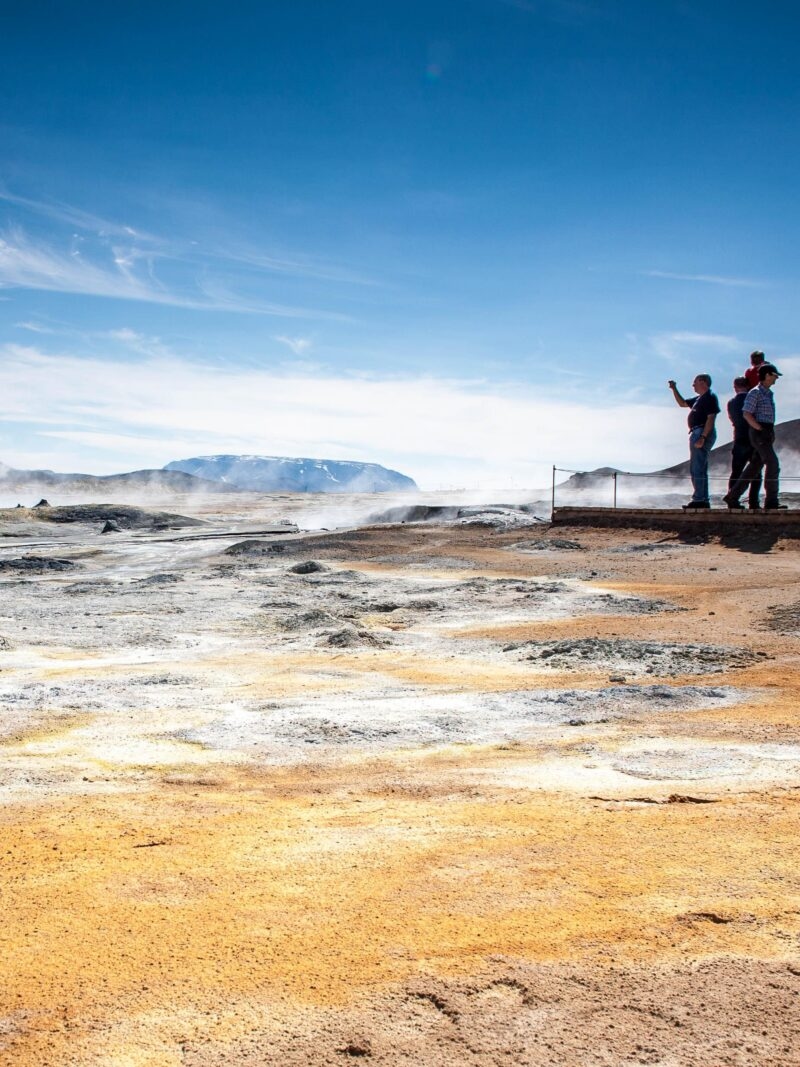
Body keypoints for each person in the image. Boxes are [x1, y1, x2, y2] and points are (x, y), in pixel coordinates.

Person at [724, 363, 785, 510]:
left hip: (766, 432)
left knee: (755, 467)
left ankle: (732, 496)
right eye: (774, 375)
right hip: (759, 433)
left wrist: (769, 431)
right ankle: (771, 502)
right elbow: (746, 413)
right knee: (773, 464)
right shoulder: (755, 392)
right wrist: (760, 429)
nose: (776, 378)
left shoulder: (768, 393)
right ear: (767, 375)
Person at [668, 374, 720, 508]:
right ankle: (702, 499)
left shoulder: (709, 397)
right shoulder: (699, 399)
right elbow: (682, 403)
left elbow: (711, 418)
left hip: (701, 432)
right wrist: (674, 389)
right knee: (698, 467)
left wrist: (703, 437)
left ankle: (699, 500)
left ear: (703, 382)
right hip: (697, 432)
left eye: (695, 382)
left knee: (698, 467)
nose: (693, 385)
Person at [727, 377, 762, 509]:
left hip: (739, 437)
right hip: (753, 438)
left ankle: (732, 499)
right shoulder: (752, 399)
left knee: (736, 471)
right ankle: (754, 501)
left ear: (735, 387)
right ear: (748, 386)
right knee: (756, 472)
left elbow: (732, 418)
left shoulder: (731, 402)